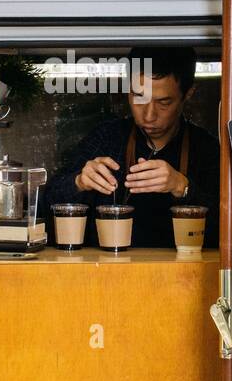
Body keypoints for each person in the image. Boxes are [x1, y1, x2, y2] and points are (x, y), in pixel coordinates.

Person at [44, 46, 219, 249]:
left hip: (183, 274)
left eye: (163, 102)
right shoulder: (106, 138)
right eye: (139, 97)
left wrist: (182, 187)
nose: (149, 115)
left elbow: (227, 224)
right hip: (109, 271)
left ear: (188, 94)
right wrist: (78, 182)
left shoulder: (206, 148)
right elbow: (47, 203)